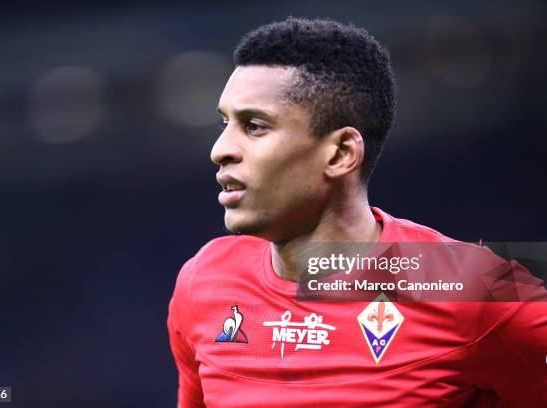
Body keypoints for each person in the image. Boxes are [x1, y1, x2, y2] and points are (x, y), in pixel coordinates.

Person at [167, 17, 547, 407]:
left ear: (341, 153)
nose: (220, 149)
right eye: (224, 123)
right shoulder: (204, 283)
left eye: (255, 126)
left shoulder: (473, 289)